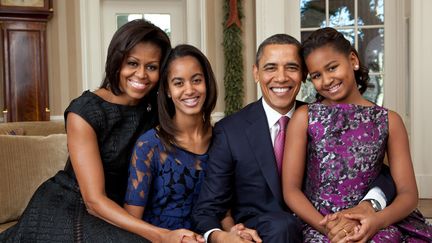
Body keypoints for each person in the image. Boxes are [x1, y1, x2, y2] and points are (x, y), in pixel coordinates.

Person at [192, 33, 396, 243]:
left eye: (291, 67)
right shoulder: (230, 131)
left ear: (303, 74)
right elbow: (207, 208)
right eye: (271, 68)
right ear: (256, 73)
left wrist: (371, 202)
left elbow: (378, 171)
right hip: (265, 235)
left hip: (326, 226)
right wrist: (224, 235)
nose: (281, 77)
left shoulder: (323, 118)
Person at [0, 19, 171, 242]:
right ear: (117, 62)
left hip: (120, 209)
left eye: (152, 67)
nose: (141, 74)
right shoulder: (85, 111)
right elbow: (94, 200)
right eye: (132, 63)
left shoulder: (154, 111)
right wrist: (160, 234)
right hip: (71, 205)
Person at [283, 27, 432, 242]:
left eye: (332, 67)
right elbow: (291, 190)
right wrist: (329, 229)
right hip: (320, 223)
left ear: (352, 60)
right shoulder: (304, 117)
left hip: (374, 221)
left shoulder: (389, 120)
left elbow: (408, 194)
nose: (326, 80)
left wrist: (376, 221)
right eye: (316, 75)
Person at [123, 44, 217, 243]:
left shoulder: (223, 139)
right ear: (167, 89)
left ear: (207, 83)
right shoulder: (149, 146)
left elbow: (225, 207)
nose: (189, 90)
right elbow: (131, 223)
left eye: (197, 80)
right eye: (178, 83)